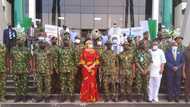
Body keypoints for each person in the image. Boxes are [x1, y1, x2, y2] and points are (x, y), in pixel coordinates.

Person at [11, 36, 31, 102]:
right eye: (18, 40)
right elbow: (11, 59)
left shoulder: (27, 49)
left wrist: (29, 68)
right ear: (16, 41)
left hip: (24, 69)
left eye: (21, 40)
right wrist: (11, 68)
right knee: (17, 84)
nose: (19, 41)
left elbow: (29, 59)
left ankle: (24, 96)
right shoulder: (13, 49)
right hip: (15, 69)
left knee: (24, 84)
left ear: (23, 41)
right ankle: (17, 96)